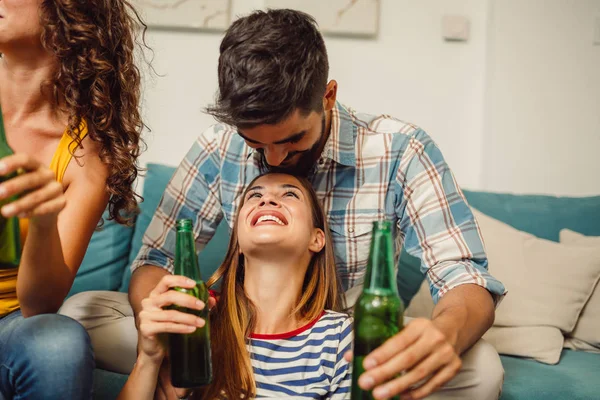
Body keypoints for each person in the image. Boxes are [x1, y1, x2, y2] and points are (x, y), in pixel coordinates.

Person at [61, 8, 507, 400]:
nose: (273, 161)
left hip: (339, 340)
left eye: (292, 139)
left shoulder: (401, 149)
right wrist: (164, 340)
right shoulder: (216, 149)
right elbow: (156, 260)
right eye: (254, 142)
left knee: (482, 371)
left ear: (327, 97)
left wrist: (444, 336)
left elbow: (463, 275)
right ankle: (236, 367)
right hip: (225, 331)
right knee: (80, 314)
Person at [0, 0, 145, 399]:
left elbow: (38, 305)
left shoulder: (86, 152)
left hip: (8, 323)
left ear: (66, 10)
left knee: (58, 342)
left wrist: (44, 221)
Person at [118, 172, 352, 399]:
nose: (267, 200)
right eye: (254, 196)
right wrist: (148, 360)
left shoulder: (339, 335)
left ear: (317, 238)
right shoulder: (198, 317)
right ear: (237, 241)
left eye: (290, 194)